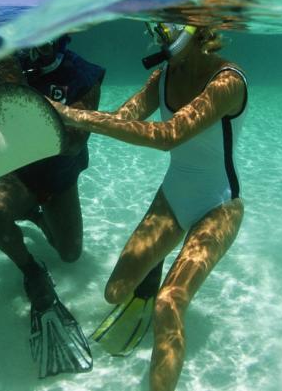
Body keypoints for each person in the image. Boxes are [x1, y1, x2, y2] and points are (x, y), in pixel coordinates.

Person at [47, 22, 248, 391]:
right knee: (115, 292)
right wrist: (61, 119)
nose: (158, 38)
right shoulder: (163, 75)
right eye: (155, 30)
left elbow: (168, 135)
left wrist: (73, 115)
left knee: (169, 304)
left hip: (219, 203)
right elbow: (124, 119)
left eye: (167, 31)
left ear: (195, 30)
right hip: (174, 194)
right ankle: (151, 276)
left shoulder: (228, 81)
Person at [0, 34, 105, 378]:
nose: (35, 53)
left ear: (63, 40)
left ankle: (35, 217)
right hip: (20, 174)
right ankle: (31, 270)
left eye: (45, 43)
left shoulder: (84, 75)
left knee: (70, 254)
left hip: (60, 178)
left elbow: (73, 144)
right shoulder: (7, 67)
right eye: (30, 43)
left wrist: (32, 105)